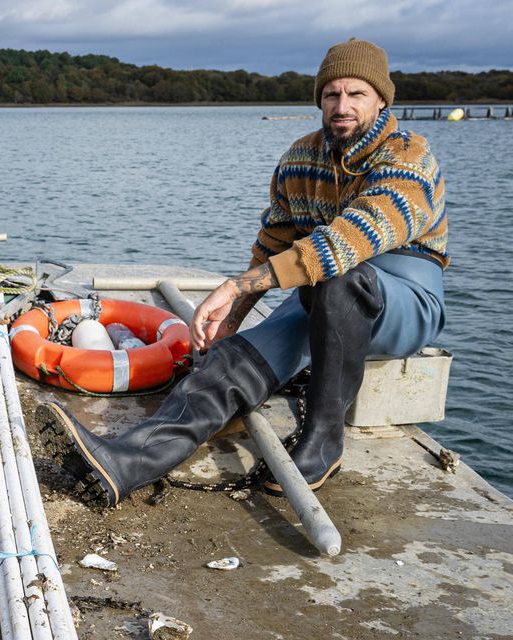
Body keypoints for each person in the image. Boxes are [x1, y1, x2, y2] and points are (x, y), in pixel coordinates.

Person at [37, 38, 448, 505]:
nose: (342, 106)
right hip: (319, 290)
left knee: (340, 278)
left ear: (381, 99)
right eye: (331, 94)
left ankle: (324, 439)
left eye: (357, 94)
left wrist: (236, 286)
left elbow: (352, 239)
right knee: (232, 359)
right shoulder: (301, 157)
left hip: (403, 296)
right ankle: (126, 463)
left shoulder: (411, 156)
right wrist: (234, 314)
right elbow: (273, 243)